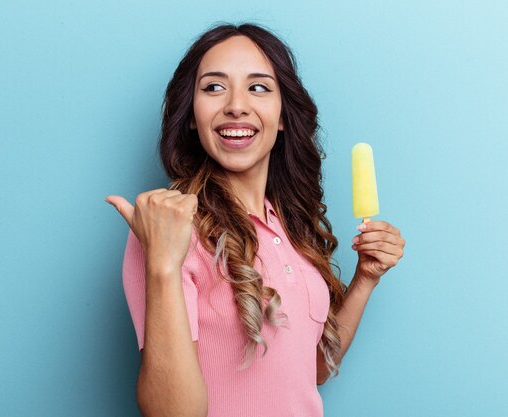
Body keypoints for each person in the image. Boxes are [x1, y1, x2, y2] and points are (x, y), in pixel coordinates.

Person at [105, 22, 405, 417]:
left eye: (259, 87)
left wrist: (366, 278)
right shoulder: (168, 225)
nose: (236, 105)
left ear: (283, 116)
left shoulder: (289, 223)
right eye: (213, 87)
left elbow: (314, 368)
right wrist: (162, 263)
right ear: (191, 116)